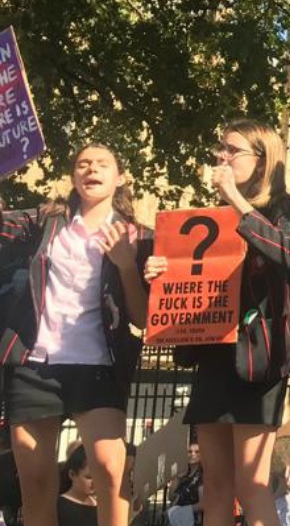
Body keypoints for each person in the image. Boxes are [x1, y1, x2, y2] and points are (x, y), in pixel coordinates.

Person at [147, 119, 290, 526]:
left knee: (251, 484)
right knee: (215, 484)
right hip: (214, 354)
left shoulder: (284, 209)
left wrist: (236, 200)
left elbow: (289, 253)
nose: (222, 156)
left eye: (232, 150)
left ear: (262, 158)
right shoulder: (210, 214)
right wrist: (160, 270)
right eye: (220, 148)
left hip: (256, 359)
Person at [0, 144, 152, 526]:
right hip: (36, 364)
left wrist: (126, 265)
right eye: (83, 164)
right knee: (35, 481)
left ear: (120, 178)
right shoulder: (48, 220)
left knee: (111, 469)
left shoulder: (139, 236)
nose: (92, 169)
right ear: (73, 177)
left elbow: (142, 316)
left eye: (103, 163)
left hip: (98, 365)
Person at [59, 446, 99, 526]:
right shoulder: (59, 506)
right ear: (72, 474)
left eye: (97, 477)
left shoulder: (98, 504)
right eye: (89, 477)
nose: (94, 482)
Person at [166, 442, 203, 526]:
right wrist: (177, 477)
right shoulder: (184, 476)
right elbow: (171, 496)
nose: (192, 454)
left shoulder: (202, 476)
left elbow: (203, 504)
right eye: (189, 451)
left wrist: (181, 511)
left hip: (193, 520)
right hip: (178, 520)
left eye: (197, 452)